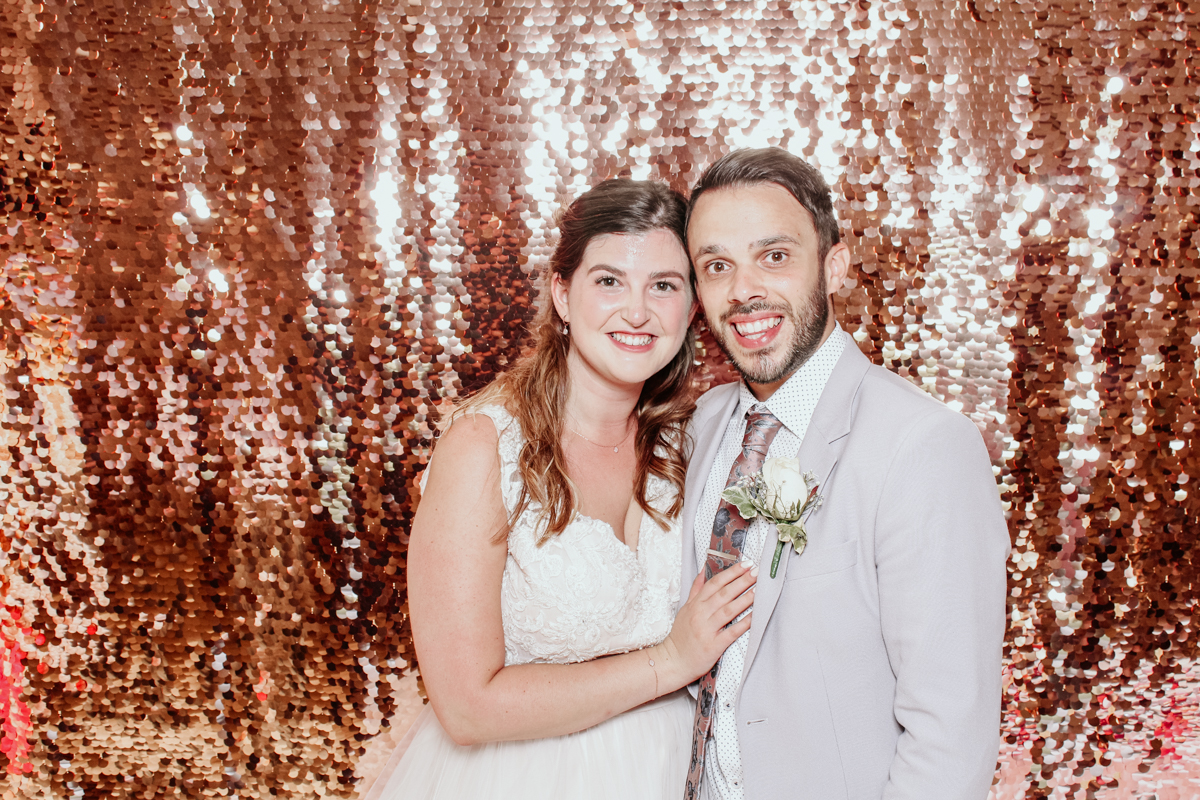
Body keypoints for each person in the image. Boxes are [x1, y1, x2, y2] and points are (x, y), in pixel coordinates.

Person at [363, 179, 758, 800]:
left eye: (663, 285)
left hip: (674, 774)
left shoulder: (697, 441)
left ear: (691, 308)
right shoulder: (485, 447)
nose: (637, 311)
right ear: (562, 295)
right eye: (608, 281)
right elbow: (466, 708)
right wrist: (672, 661)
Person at [679, 148, 1010, 800]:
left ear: (833, 264)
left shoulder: (923, 447)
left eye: (774, 256)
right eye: (718, 266)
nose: (744, 289)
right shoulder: (703, 424)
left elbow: (950, 736)